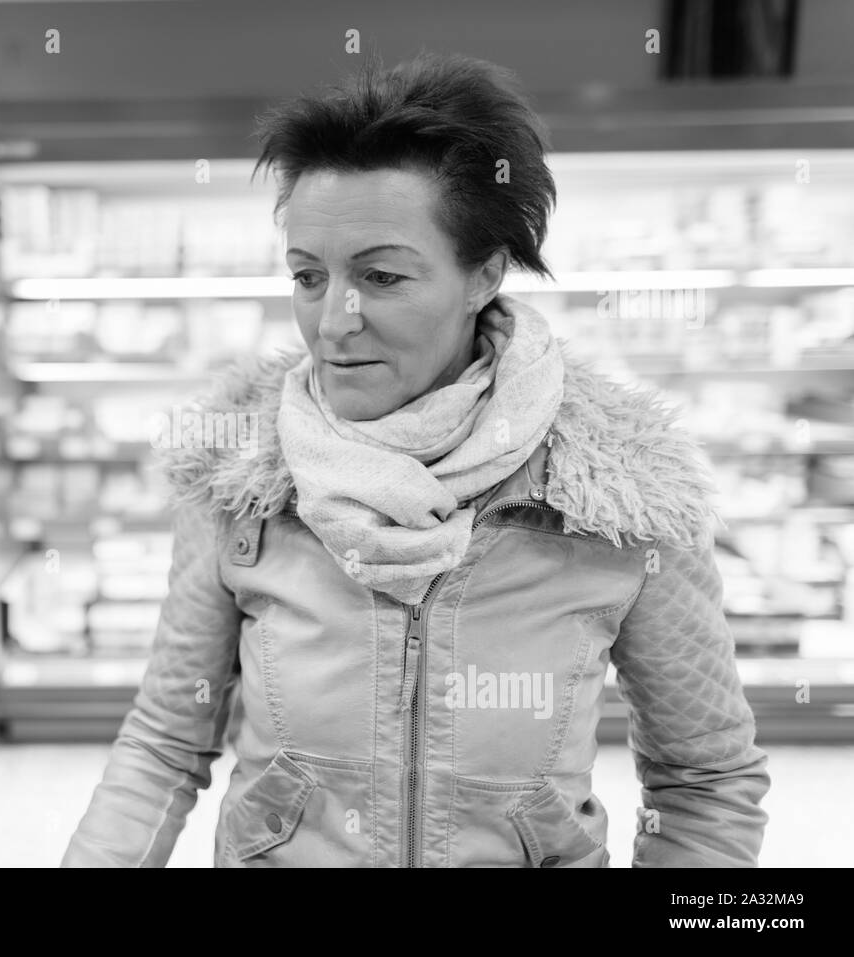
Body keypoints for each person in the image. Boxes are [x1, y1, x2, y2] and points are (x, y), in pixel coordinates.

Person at [62, 51, 769, 867]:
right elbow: (162, 743)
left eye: (383, 276)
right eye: (307, 277)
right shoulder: (239, 478)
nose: (334, 322)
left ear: (486, 275)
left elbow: (706, 780)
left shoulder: (623, 494)